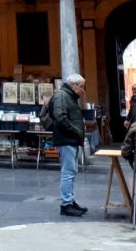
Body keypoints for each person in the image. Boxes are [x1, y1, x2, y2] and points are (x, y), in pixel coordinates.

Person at [50, 73, 87, 217]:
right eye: (82, 86)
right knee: (68, 172)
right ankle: (66, 204)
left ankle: (70, 201)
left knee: (71, 171)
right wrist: (75, 131)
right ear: (75, 85)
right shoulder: (62, 96)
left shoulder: (68, 96)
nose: (83, 90)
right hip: (66, 139)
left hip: (70, 139)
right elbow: (60, 117)